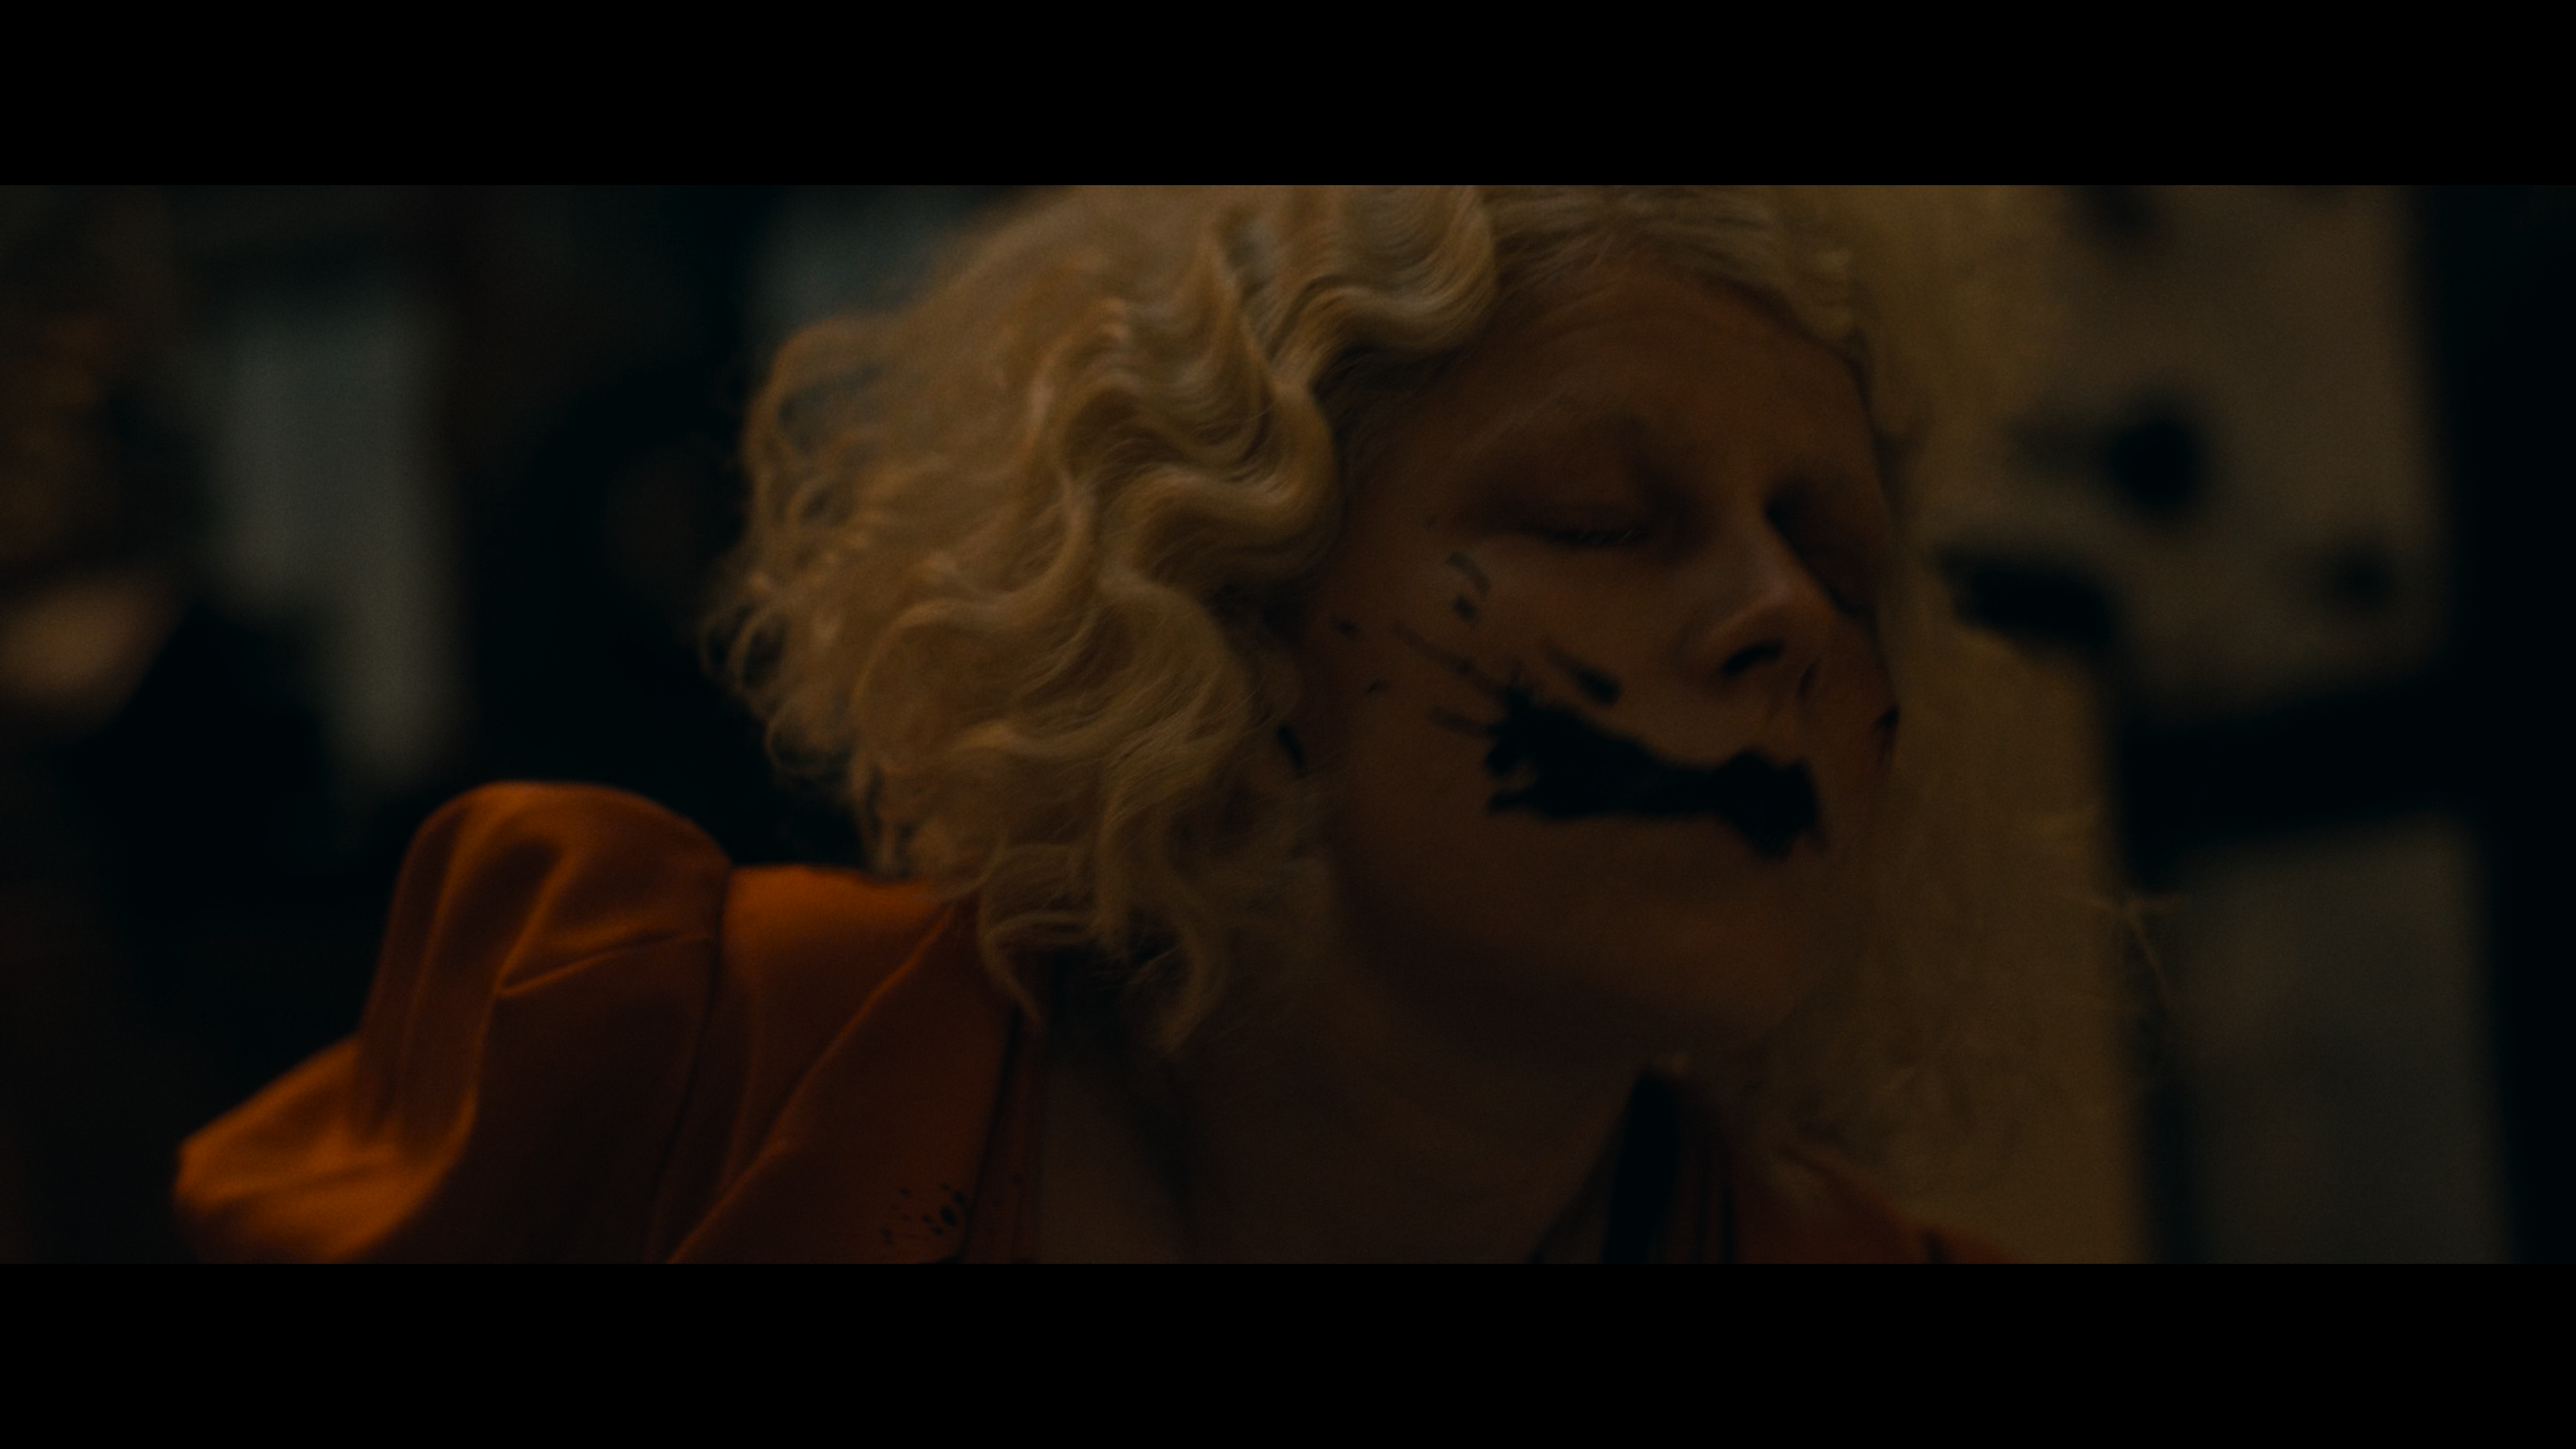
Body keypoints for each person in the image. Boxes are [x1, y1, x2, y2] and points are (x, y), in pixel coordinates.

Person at [176, 187, 2077, 1261]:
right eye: (1597, 518)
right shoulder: (681, 1060)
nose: (1781, 615)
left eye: (1838, 555)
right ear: (1229, 616)